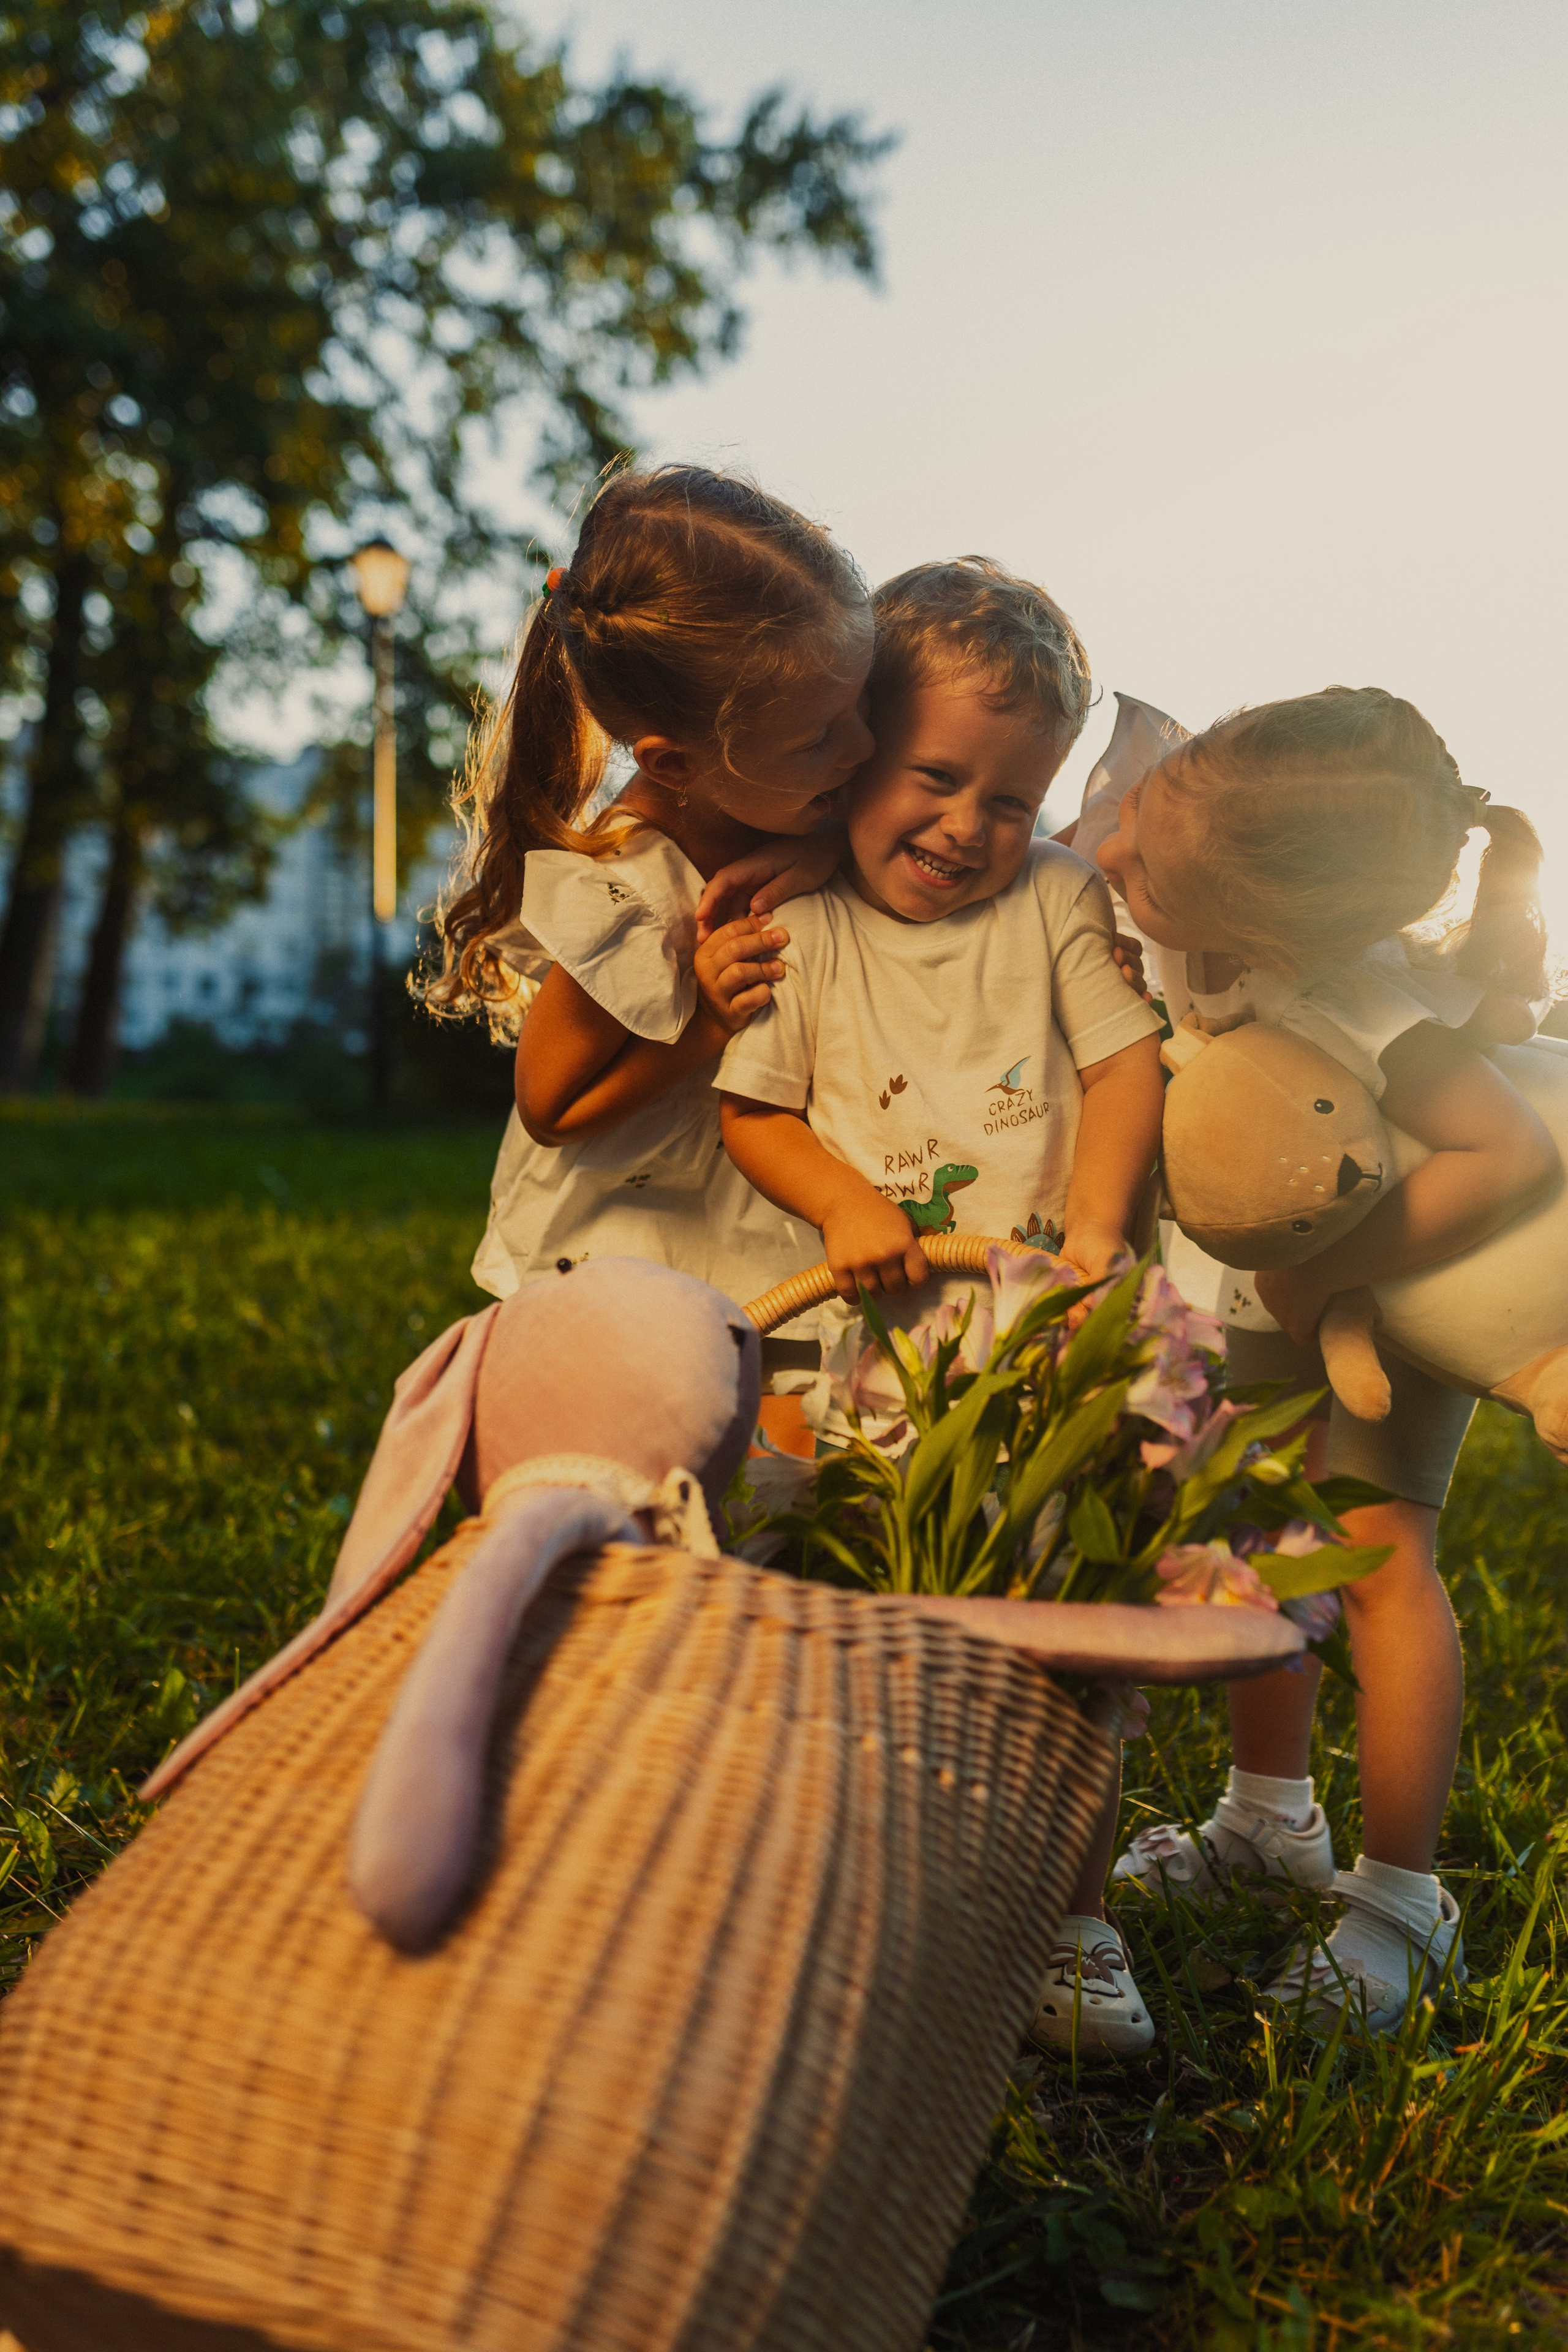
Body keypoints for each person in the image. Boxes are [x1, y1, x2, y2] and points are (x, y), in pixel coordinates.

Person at [715, 557, 1167, 2055]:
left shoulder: (1051, 900)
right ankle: (835, 1874)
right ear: (856, 749)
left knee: (1063, 1609)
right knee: (826, 1595)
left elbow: (1123, 1066)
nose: (967, 825)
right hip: (858, 1349)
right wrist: (846, 1204)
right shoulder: (812, 927)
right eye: (934, 776)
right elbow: (755, 1111)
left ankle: (1074, 1920)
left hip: (1028, 1336)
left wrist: (1095, 1235)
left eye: (1009, 795)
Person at [1095, 684, 1557, 2031]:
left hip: (1369, 1313)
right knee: (1258, 1551)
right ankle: (1266, 1824)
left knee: (1376, 1565)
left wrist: (1322, 1274)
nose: (1116, 855)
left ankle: (1403, 1902)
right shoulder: (1192, 890)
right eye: (1138, 815)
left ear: (1261, 927)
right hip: (1254, 1312)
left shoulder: (1356, 1005)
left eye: (1147, 864)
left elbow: (1506, 1153)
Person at [432, 465, 873, 1419]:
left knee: (771, 1418)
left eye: (860, 710)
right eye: (822, 737)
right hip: (636, 1227)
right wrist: (706, 1028)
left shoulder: (779, 801)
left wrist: (833, 837)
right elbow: (551, 1104)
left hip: (752, 1207)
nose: (863, 750)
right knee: (652, 1427)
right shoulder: (629, 892)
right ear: (678, 763)